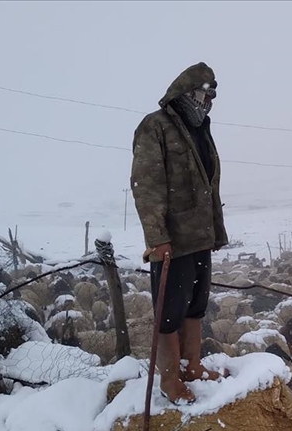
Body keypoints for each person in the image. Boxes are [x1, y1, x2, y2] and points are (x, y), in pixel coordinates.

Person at [130, 62, 228, 403]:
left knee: (196, 306)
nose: (210, 99)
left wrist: (214, 230)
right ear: (188, 92)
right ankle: (170, 380)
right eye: (205, 92)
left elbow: (207, 185)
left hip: (199, 236)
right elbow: (147, 186)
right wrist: (157, 238)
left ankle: (192, 366)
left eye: (212, 94)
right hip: (173, 240)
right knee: (169, 312)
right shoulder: (155, 127)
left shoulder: (200, 129)